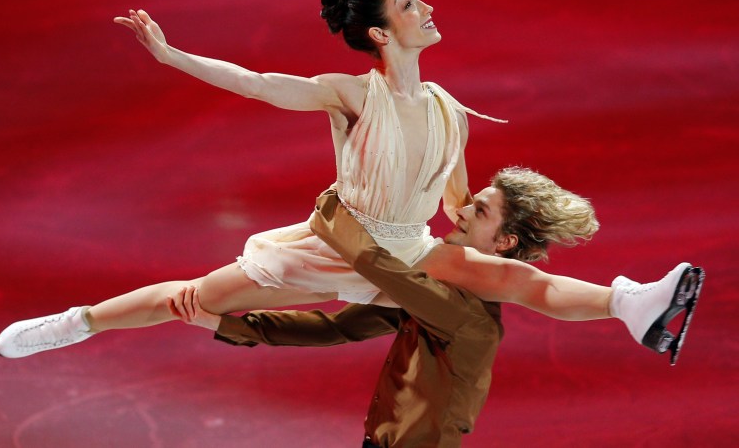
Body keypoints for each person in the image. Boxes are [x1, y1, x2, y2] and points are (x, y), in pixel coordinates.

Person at [0, 0, 697, 362]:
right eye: (409, 4)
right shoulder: (355, 93)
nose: (426, 8)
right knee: (194, 299)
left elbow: (449, 200)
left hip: (405, 249)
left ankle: (632, 305)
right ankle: (78, 321)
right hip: (337, 243)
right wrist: (173, 56)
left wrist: (498, 220)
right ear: (384, 32)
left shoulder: (448, 105)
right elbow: (260, 81)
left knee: (518, 281)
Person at [168, 167, 705, 447]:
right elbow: (333, 329)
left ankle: (630, 305)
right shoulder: (446, 297)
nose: (465, 207)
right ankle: (629, 305)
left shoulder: (460, 311)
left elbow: (376, 262)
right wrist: (225, 325)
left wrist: (334, 208)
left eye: (482, 209)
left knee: (524, 282)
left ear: (504, 240)